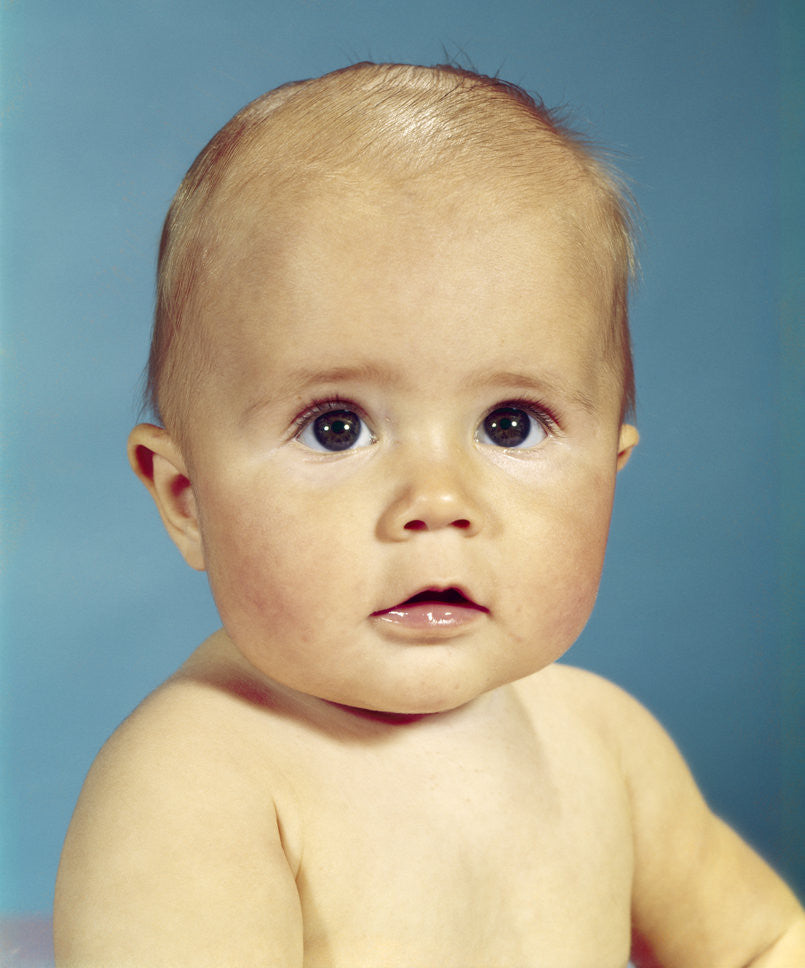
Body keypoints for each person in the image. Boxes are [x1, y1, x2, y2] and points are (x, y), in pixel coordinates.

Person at [53, 63, 804, 967]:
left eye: (509, 424)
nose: (437, 503)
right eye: (336, 428)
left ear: (610, 473)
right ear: (186, 500)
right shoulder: (199, 781)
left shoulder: (603, 741)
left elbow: (764, 941)